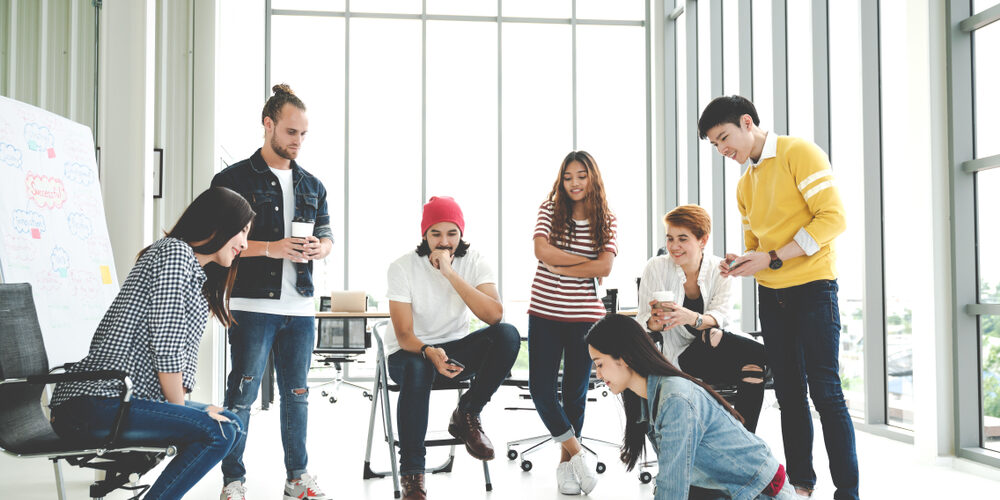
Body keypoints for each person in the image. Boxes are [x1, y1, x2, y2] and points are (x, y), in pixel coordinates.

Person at [699, 95, 857, 499]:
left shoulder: (797, 152)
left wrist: (770, 257)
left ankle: (848, 492)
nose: (723, 150)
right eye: (715, 145)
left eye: (724, 138)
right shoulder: (745, 185)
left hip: (813, 290)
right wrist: (742, 261)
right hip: (773, 296)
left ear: (747, 122)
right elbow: (758, 244)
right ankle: (801, 485)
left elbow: (833, 217)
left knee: (825, 391)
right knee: (788, 394)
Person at [48, 187, 253, 500]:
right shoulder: (175, 254)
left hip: (118, 400)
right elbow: (166, 347)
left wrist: (188, 410)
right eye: (241, 231)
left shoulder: (189, 267)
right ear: (218, 223)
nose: (244, 243)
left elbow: (179, 355)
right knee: (219, 431)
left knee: (232, 423)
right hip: (94, 402)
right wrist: (184, 413)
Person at [210, 84, 333, 500]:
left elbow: (327, 234)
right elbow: (215, 240)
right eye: (291, 132)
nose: (297, 141)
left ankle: (297, 478)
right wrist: (272, 248)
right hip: (250, 304)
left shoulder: (313, 185)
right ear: (268, 125)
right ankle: (233, 481)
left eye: (303, 134)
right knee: (241, 394)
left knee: (297, 396)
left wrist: (321, 247)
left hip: (299, 306)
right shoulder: (231, 180)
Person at [385, 196, 520, 500]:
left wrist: (449, 272)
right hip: (409, 354)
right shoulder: (402, 267)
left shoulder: (474, 261)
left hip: (454, 355)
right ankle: (412, 474)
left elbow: (493, 315)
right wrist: (428, 351)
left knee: (507, 335)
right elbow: (404, 334)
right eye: (436, 234)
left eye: (452, 234)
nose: (444, 242)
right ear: (424, 234)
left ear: (461, 233)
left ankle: (467, 413)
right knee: (419, 367)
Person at [587, 314, 801, 500]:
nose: (598, 374)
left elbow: (673, 488)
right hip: (725, 489)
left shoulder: (674, 399)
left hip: (759, 492)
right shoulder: (646, 395)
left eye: (599, 364)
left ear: (624, 358)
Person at [528, 151, 617, 495]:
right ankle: (577, 456)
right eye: (568, 177)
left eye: (581, 175)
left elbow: (605, 267)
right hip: (545, 312)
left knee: (575, 394)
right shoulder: (549, 210)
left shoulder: (606, 219)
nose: (575, 183)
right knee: (541, 389)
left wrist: (563, 267)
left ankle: (564, 468)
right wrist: (586, 262)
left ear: (592, 177)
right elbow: (541, 253)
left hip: (584, 317)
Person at [636, 204, 767, 432]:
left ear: (703, 240)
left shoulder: (720, 269)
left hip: (716, 354)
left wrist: (691, 318)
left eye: (682, 239)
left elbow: (720, 316)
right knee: (716, 335)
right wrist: (654, 323)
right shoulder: (656, 267)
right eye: (670, 238)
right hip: (681, 358)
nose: (674, 246)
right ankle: (776, 359)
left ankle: (744, 441)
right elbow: (643, 320)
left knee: (749, 364)